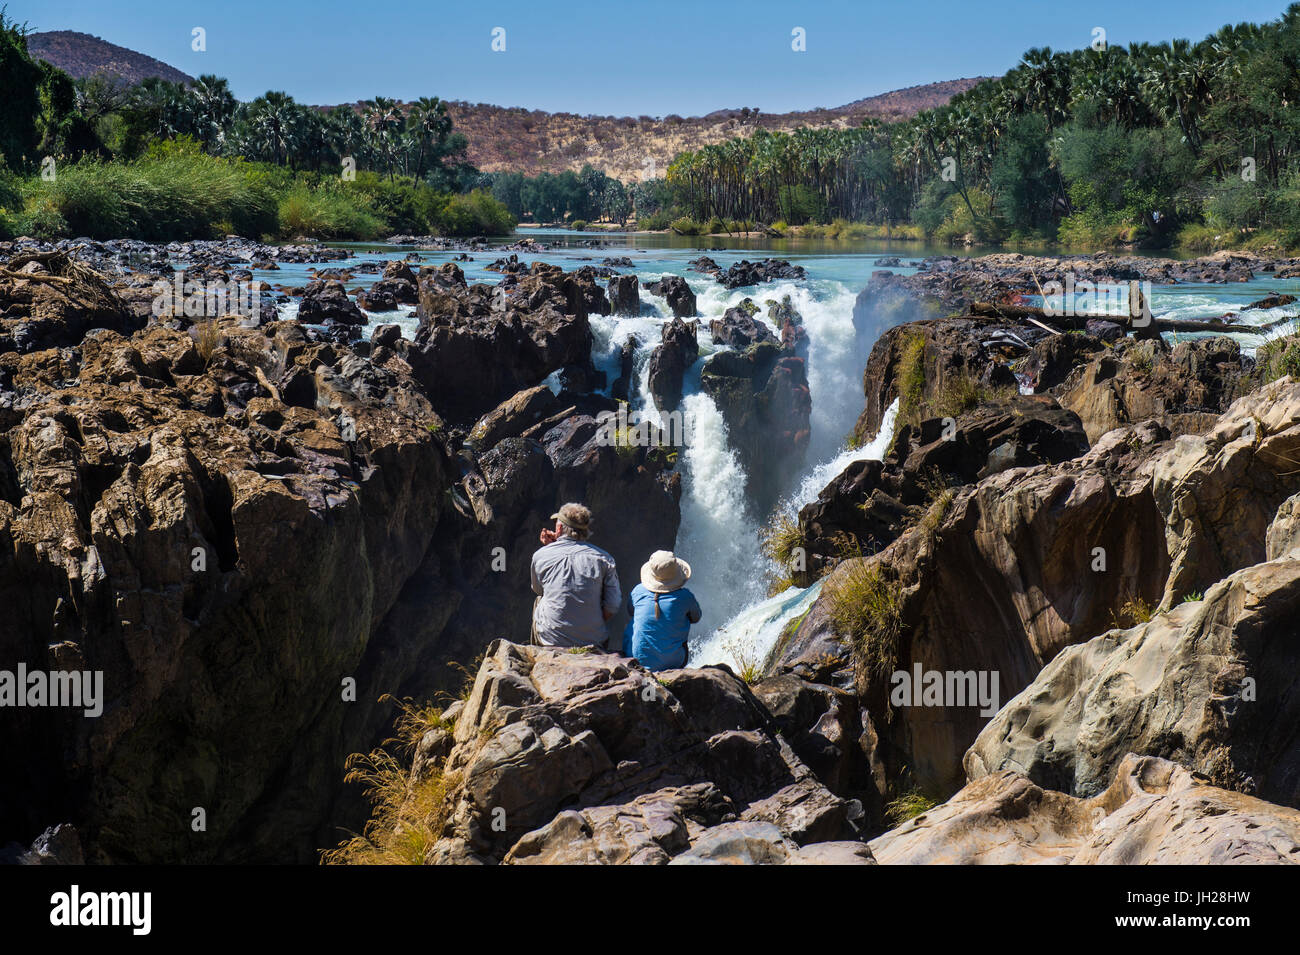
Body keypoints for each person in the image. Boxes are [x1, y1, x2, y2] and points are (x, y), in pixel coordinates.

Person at [530, 503, 620, 649]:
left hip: (552, 640)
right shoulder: (604, 559)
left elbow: (540, 589)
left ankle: (540, 654)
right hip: (593, 640)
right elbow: (613, 605)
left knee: (539, 600)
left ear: (559, 528)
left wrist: (549, 548)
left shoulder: (540, 555)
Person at [623, 550, 701, 671]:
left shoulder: (638, 591)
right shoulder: (685, 596)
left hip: (635, 659)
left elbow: (630, 611)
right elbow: (696, 617)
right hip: (673, 662)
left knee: (632, 623)